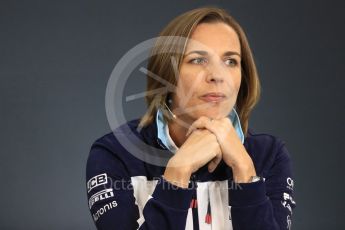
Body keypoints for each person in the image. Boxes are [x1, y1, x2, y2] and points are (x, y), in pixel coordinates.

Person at [86, 6, 296, 230]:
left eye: (231, 61)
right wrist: (179, 170)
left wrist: (244, 170)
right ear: (167, 75)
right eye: (198, 60)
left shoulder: (269, 155)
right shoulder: (114, 153)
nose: (217, 75)